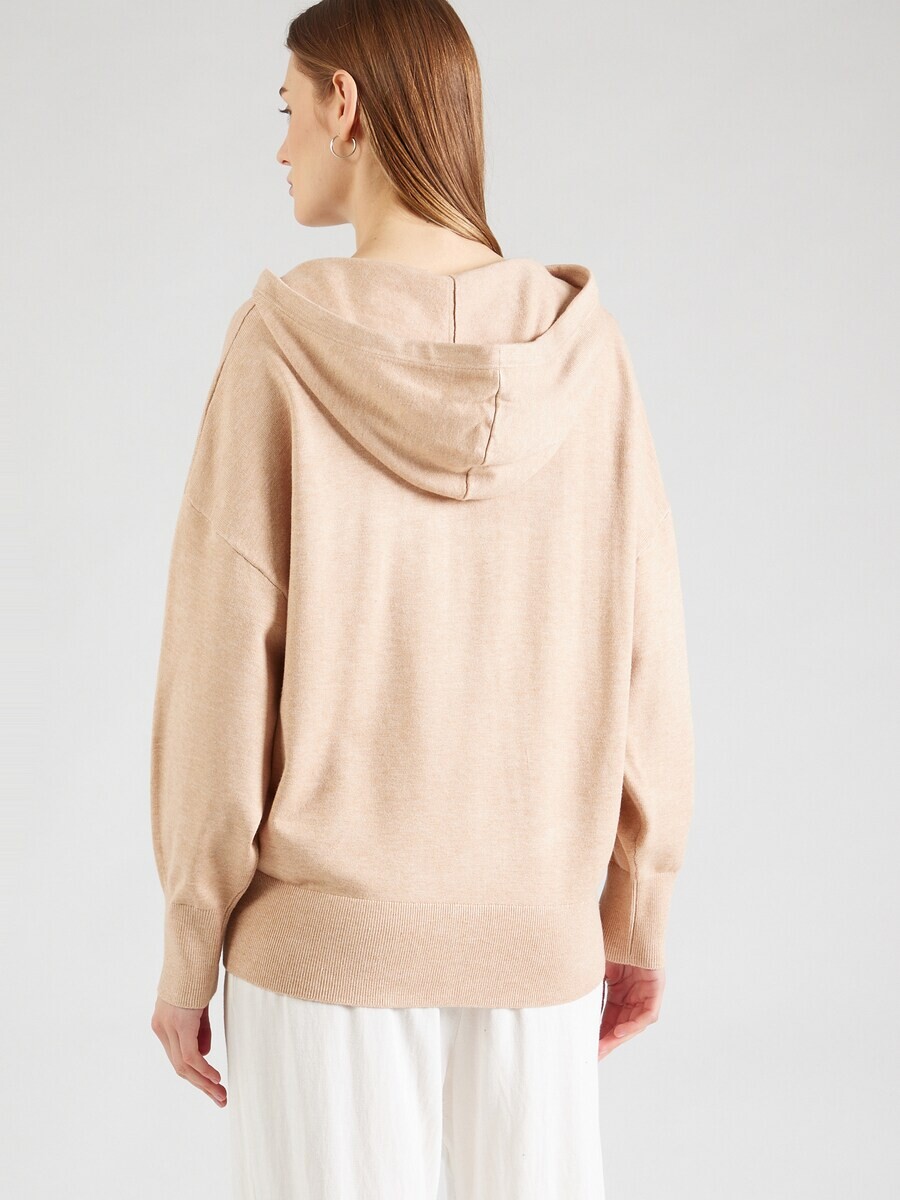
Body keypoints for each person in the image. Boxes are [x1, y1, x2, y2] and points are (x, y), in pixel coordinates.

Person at [148, 1, 695, 1196]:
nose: (281, 145)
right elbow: (648, 652)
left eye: (288, 110)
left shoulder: (281, 348)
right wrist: (637, 913)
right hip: (538, 952)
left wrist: (190, 942)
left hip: (322, 958)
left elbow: (220, 669)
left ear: (345, 103)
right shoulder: (586, 357)